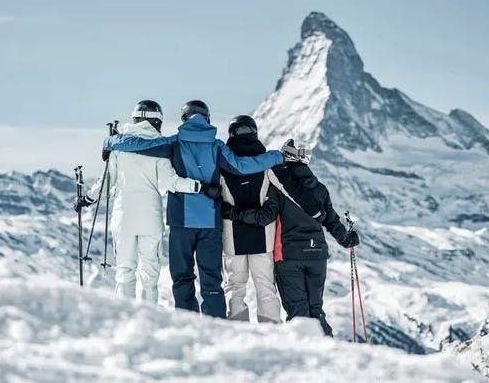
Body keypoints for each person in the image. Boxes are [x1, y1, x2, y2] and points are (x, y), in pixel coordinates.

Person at [103, 100, 284, 318]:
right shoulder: (217, 146)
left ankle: (186, 325)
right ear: (207, 118)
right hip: (210, 224)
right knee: (211, 282)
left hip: (181, 223)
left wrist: (112, 140)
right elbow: (243, 167)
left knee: (182, 279)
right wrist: (278, 155)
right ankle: (215, 327)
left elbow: (138, 145)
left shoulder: (174, 143)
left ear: (184, 119)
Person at [74, 100, 219, 303]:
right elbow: (172, 182)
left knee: (124, 272)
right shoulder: (160, 150)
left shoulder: (119, 147)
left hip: (123, 218)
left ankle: (126, 316)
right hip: (151, 219)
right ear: (157, 122)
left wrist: (87, 199)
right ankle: (150, 319)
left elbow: (105, 183)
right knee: (149, 276)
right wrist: (200, 187)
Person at [222, 139, 360, 335]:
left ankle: (304, 358)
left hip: (289, 256)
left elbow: (265, 217)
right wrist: (347, 239)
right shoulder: (319, 189)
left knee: (298, 314)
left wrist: (231, 212)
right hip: (317, 255)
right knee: (316, 310)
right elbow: (331, 220)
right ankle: (327, 350)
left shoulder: (278, 186)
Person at [219, 115, 281, 323]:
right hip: (262, 237)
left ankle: (238, 332)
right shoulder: (267, 166)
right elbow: (276, 200)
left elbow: (216, 203)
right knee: (265, 286)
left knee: (235, 287)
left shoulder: (223, 167)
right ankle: (271, 332)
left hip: (232, 238)